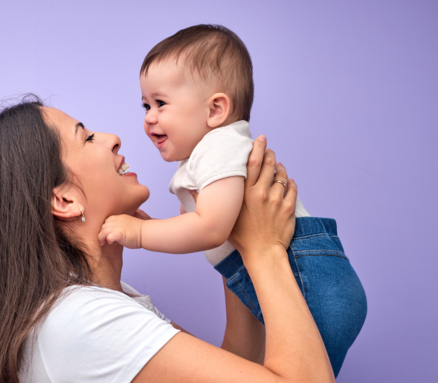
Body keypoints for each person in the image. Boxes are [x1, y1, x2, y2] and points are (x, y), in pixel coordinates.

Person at [0, 95, 336, 382]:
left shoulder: (101, 305)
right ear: (65, 199)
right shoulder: (83, 321)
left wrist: (230, 241)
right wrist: (265, 250)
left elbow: (237, 367)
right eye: (86, 137)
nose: (112, 138)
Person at [98, 24, 367, 376]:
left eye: (161, 103)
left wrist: (139, 234)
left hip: (311, 279)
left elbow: (211, 228)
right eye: (146, 104)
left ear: (215, 110)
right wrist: (159, 227)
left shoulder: (220, 146)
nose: (149, 118)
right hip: (303, 279)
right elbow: (217, 232)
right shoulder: (204, 156)